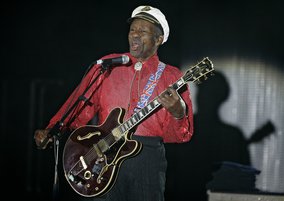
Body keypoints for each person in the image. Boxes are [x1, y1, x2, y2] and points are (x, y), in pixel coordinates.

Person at [34, 5, 194, 201]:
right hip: (103, 153)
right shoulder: (110, 64)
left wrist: (178, 113)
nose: (135, 35)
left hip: (146, 159)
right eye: (132, 29)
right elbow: (79, 103)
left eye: (142, 31)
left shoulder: (171, 75)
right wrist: (53, 129)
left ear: (158, 39)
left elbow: (180, 136)